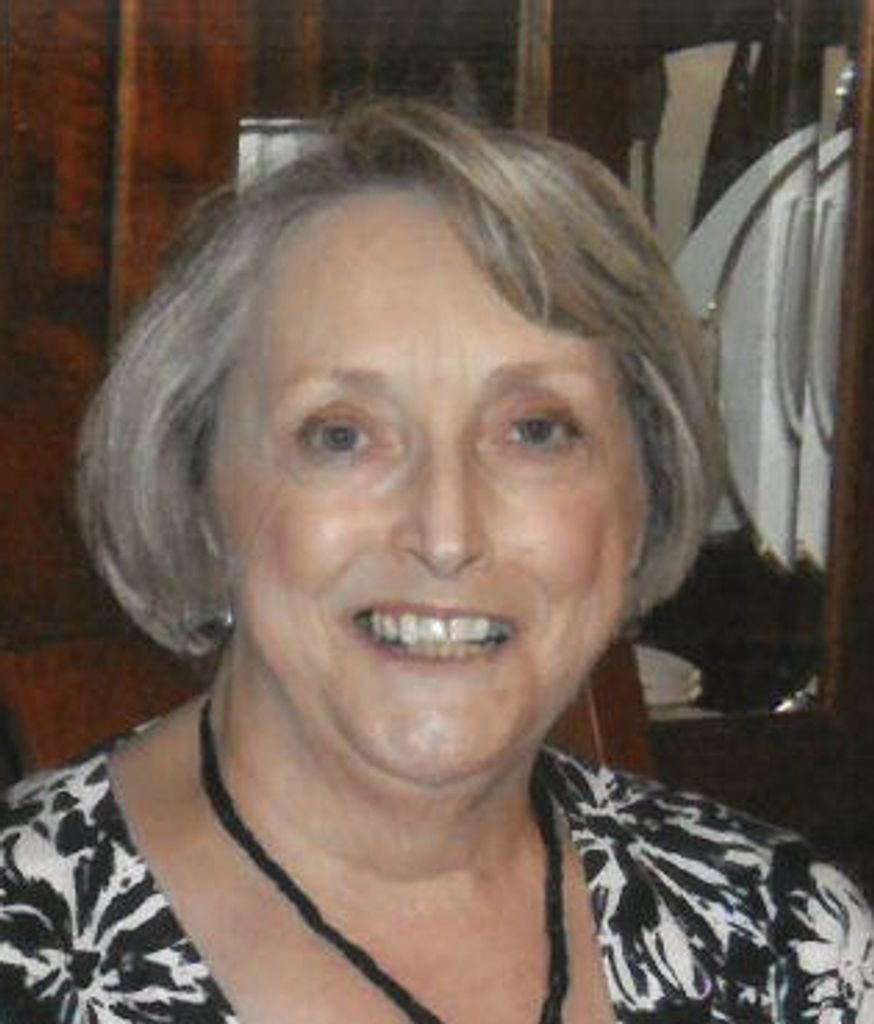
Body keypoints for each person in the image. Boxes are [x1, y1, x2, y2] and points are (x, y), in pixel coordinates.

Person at [0, 98, 871, 1024]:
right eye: (341, 435)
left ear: (646, 486)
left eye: (535, 430)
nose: (446, 532)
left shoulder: (788, 945)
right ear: (198, 486)